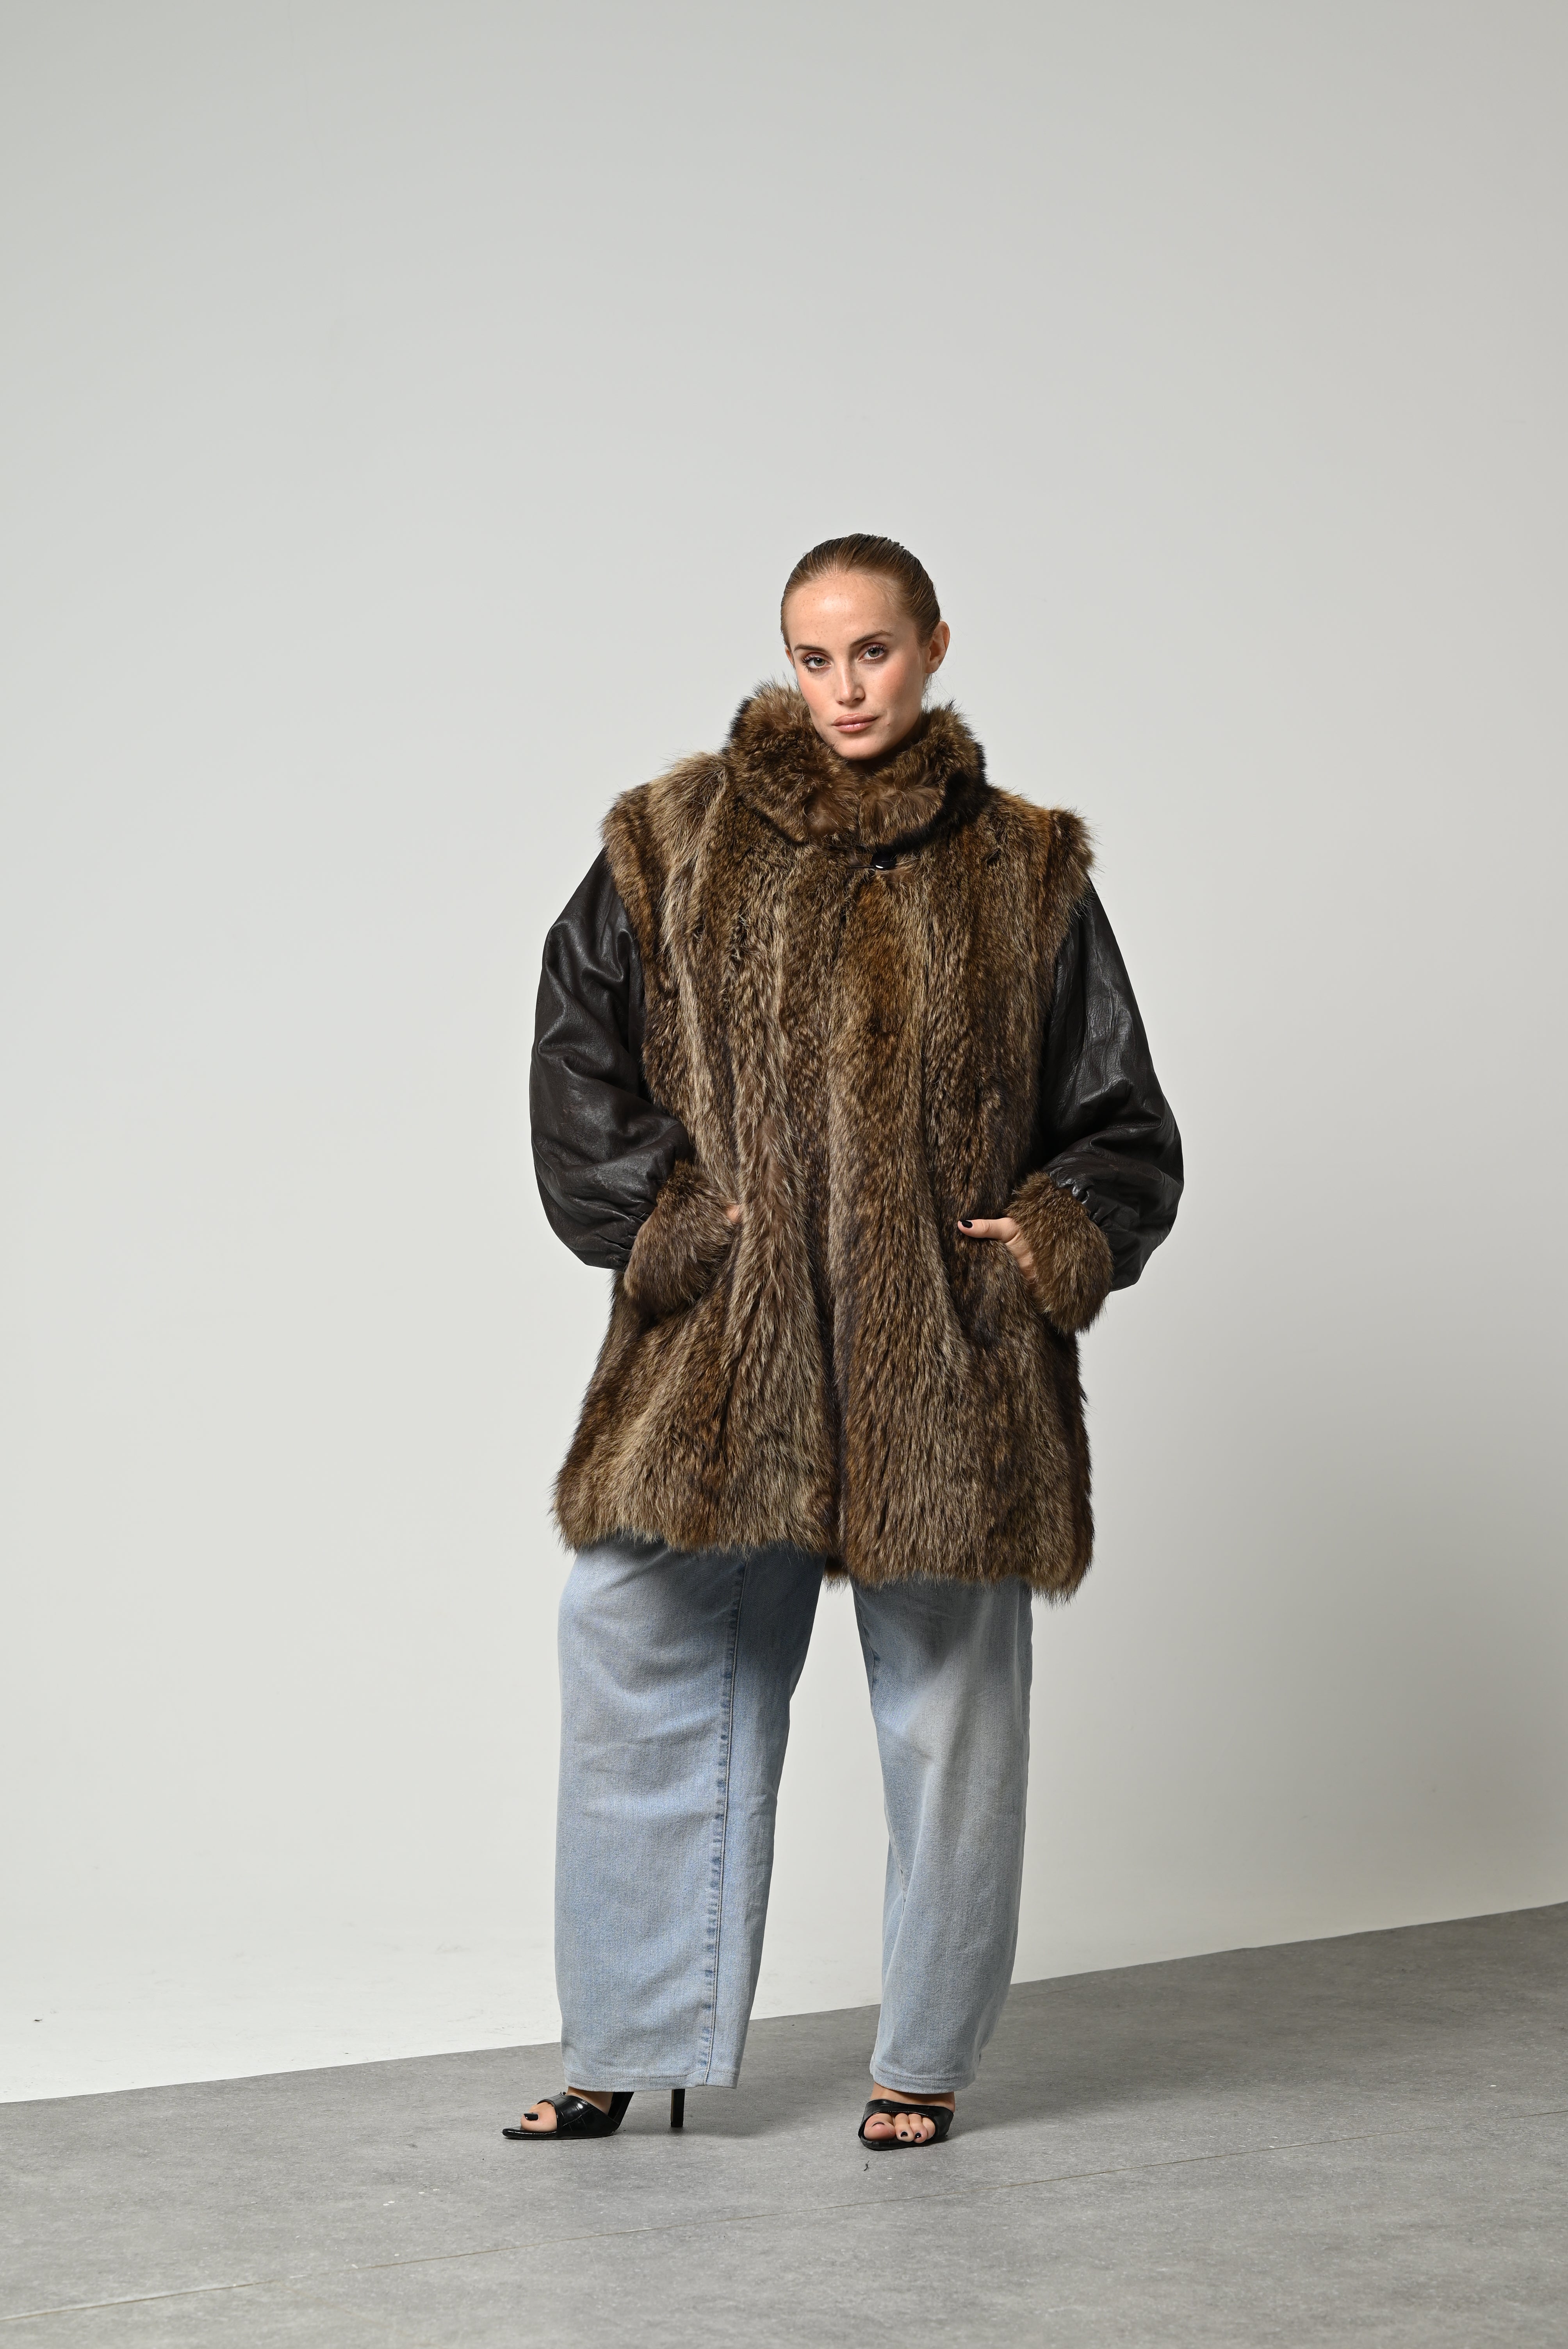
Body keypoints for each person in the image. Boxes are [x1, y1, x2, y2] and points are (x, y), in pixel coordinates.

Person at [513, 535, 1181, 2149]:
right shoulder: (670, 841)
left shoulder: (1026, 868)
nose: (844, 688)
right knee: (633, 1649)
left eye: (872, 651)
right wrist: (666, 1220)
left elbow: (1120, 1116)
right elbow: (575, 1056)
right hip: (721, 1363)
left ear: (934, 644)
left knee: (952, 1715)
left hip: (941, 1368)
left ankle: (922, 2062)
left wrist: (1053, 1232)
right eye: (814, 658)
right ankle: (625, 2043)